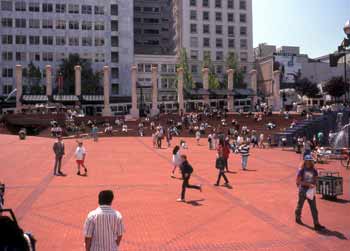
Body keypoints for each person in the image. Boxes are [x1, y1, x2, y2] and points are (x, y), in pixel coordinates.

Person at [295, 155, 325, 231]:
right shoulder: (302, 170)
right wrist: (308, 184)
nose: (308, 162)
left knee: (314, 208)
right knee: (300, 205)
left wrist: (315, 183)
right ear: (304, 161)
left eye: (310, 160)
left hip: (310, 192)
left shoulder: (314, 170)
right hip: (303, 191)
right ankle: (297, 217)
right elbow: (298, 181)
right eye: (307, 160)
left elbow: (315, 179)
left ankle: (316, 223)